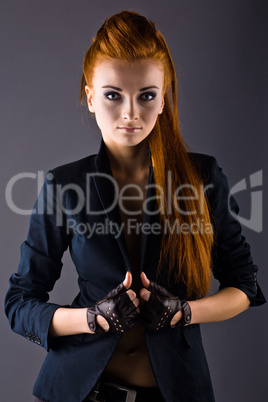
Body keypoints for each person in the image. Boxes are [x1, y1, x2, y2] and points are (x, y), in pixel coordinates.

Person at [4, 10, 266, 402]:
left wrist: (184, 312)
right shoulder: (64, 185)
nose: (130, 113)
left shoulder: (202, 177)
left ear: (163, 100)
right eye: (113, 95)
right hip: (80, 391)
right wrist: (91, 319)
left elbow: (244, 287)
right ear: (91, 98)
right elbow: (19, 304)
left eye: (146, 96)